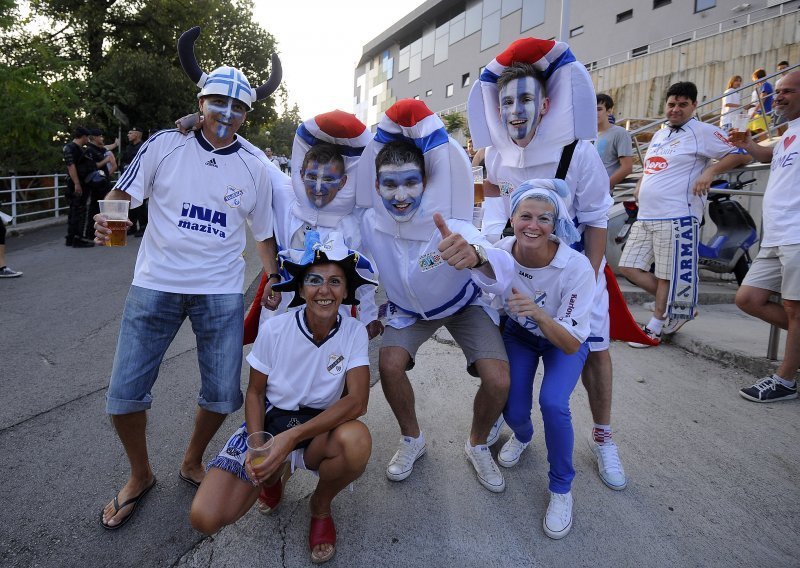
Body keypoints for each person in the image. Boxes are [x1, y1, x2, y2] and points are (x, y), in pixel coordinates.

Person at [95, 26, 282, 530]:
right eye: (217, 102)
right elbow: (122, 195)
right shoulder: (164, 144)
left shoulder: (255, 166)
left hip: (220, 292)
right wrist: (107, 218)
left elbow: (263, 234)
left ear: (249, 115)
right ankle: (140, 474)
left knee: (223, 394)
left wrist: (275, 284)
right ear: (200, 102)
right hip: (154, 283)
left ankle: (192, 460)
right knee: (123, 395)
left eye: (238, 108)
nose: (226, 114)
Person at [467, 37, 629, 492]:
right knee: (511, 344)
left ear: (545, 104)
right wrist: (493, 264)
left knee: (593, 349)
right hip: (518, 264)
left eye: (525, 99)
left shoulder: (577, 151)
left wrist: (591, 280)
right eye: (506, 102)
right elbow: (496, 221)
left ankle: (602, 436)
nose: (515, 110)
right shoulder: (495, 155)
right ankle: (516, 424)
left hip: (575, 267)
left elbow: (596, 219)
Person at [355, 99, 513, 493]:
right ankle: (412, 439)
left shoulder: (450, 222)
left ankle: (477, 443)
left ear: (426, 183)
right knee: (389, 365)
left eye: (411, 182)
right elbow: (353, 264)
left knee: (498, 379)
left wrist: (477, 257)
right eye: (389, 184)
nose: (401, 194)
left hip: (462, 305)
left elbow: (496, 263)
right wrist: (367, 312)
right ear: (377, 186)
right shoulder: (370, 223)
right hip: (409, 312)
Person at [190, 232, 376, 564]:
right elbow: (255, 392)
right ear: (301, 289)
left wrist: (291, 440)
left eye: (336, 281)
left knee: (357, 440)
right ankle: (273, 480)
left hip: (319, 430)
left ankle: (320, 506)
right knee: (205, 517)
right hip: (272, 421)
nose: (324, 289)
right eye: (314, 279)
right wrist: (260, 446)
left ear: (347, 291)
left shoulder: (353, 331)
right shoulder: (276, 328)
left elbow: (357, 402)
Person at [491, 179, 595, 539]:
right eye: (525, 216)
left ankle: (561, 488)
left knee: (553, 403)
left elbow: (569, 344)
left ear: (556, 225)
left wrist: (537, 313)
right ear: (513, 217)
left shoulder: (576, 267)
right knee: (513, 407)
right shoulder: (500, 251)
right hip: (519, 336)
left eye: (544, 219)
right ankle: (522, 436)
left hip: (562, 340)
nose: (533, 225)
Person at [619, 81, 749, 346]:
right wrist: (642, 184)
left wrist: (710, 172)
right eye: (671, 104)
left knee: (668, 274)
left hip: (677, 214)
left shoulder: (702, 131)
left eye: (682, 104)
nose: (675, 109)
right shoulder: (659, 133)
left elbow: (741, 154)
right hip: (647, 215)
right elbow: (651, 167)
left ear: (694, 106)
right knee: (629, 267)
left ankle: (655, 327)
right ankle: (681, 305)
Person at [242, 110, 380, 342]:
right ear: (301, 173)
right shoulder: (286, 196)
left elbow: (365, 270)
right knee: (272, 375)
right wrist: (204, 122)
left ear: (344, 181)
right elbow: (253, 156)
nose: (317, 188)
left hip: (333, 322)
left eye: (328, 180)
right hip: (281, 317)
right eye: (312, 177)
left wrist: (369, 315)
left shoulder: (356, 218)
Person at [730, 70, 800, 403]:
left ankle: (785, 380)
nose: (779, 96)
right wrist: (749, 146)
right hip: (776, 235)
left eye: (788, 91)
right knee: (748, 298)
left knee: (794, 306)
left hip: (797, 234)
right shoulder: (789, 132)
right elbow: (771, 157)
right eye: (779, 90)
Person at [62, 126, 95, 248]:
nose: (88, 140)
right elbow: (71, 166)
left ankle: (71, 238)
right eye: (87, 137)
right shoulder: (71, 148)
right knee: (79, 210)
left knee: (74, 210)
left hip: (77, 182)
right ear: (84, 136)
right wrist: (77, 183)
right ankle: (78, 238)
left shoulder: (72, 148)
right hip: (77, 183)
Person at [595, 93, 633, 192]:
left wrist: (604, 187)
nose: (595, 113)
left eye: (599, 109)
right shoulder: (588, 136)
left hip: (602, 195)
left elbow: (627, 167)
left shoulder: (620, 133)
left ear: (609, 111)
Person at [84, 128, 115, 240]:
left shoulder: (99, 149)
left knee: (105, 209)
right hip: (96, 185)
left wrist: (116, 144)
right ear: (94, 137)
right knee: (94, 209)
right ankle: (91, 233)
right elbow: (93, 167)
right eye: (100, 136)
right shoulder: (89, 151)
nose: (102, 138)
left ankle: (104, 232)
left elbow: (108, 147)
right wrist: (106, 161)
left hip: (104, 184)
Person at [121, 127, 147, 237]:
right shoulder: (129, 147)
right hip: (129, 180)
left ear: (137, 135)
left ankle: (143, 227)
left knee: (140, 204)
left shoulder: (144, 146)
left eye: (130, 133)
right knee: (130, 204)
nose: (128, 135)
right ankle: (131, 227)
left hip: (141, 179)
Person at [748, 68, 774, 135]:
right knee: (750, 131)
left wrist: (754, 112)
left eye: (753, 78)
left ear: (756, 78)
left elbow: (762, 100)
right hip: (761, 114)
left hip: (763, 114)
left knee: (761, 134)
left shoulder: (765, 85)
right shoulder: (764, 86)